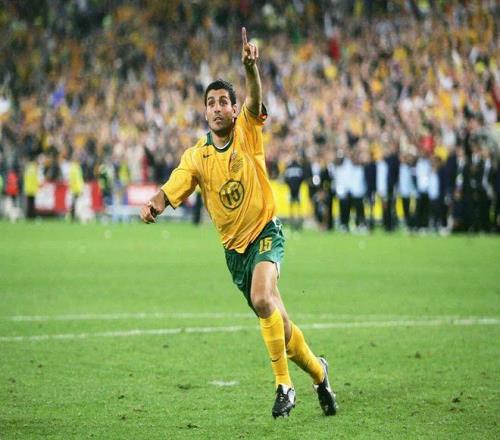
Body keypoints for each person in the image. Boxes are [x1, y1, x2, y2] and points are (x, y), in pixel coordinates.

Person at [140, 28, 337, 419]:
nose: (217, 108)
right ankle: (319, 373)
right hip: (235, 254)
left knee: (263, 298)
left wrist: (251, 69)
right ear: (205, 111)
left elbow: (255, 97)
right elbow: (173, 186)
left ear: (234, 109)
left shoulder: (247, 130)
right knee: (281, 326)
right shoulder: (197, 156)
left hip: (265, 232)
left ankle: (284, 386)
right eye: (210, 103)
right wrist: (154, 204)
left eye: (223, 102)